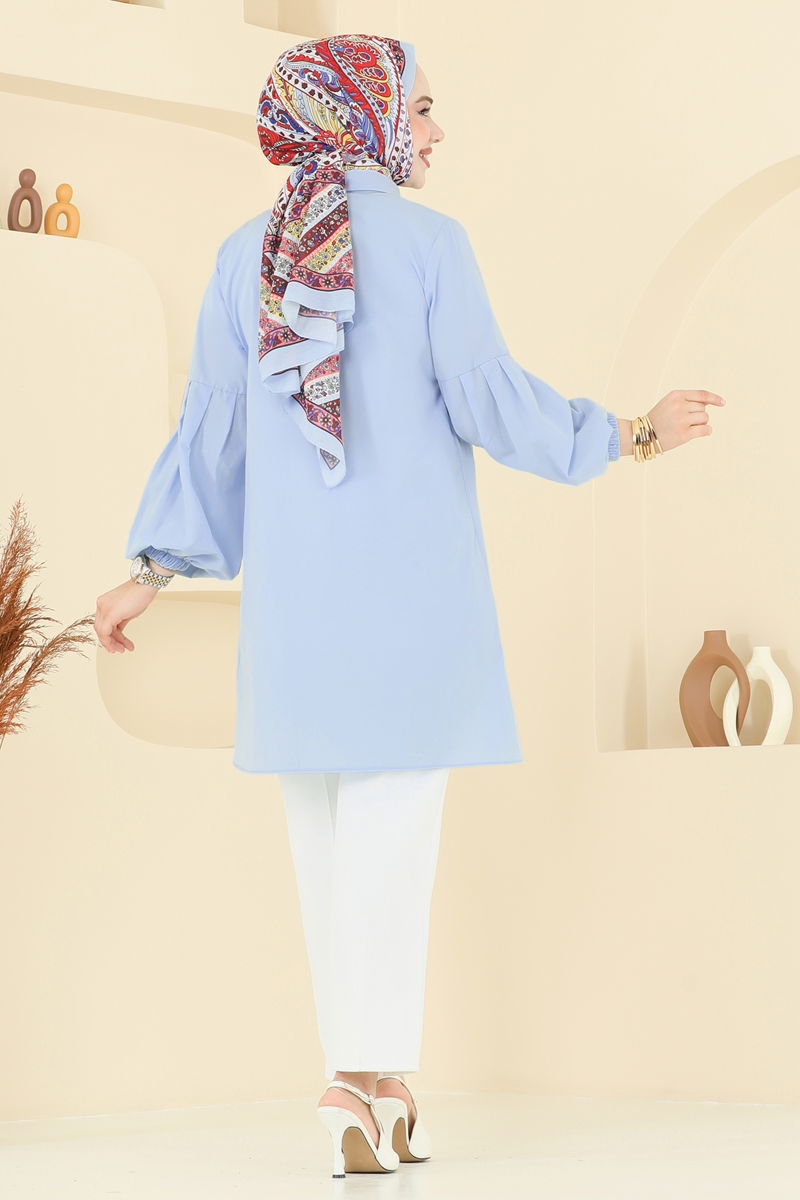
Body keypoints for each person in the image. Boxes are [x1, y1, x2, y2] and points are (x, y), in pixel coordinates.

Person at [94, 34, 726, 1179]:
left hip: (294, 620)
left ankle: (377, 1087)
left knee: (328, 854)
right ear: (360, 115)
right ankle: (352, 1076)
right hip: (409, 606)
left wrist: (152, 568)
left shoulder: (243, 257)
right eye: (421, 107)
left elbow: (213, 434)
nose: (435, 130)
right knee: (388, 850)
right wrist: (629, 435)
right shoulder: (431, 245)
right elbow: (487, 401)